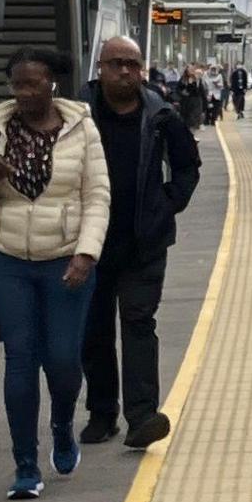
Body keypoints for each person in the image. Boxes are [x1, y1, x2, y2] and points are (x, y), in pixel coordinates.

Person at [0, 51, 110, 499]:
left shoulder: (82, 128)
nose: (25, 94)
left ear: (52, 84)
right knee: (20, 360)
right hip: (6, 260)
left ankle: (63, 423)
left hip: (65, 258)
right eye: (17, 85)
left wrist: (86, 254)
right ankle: (25, 465)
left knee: (65, 359)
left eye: (33, 84)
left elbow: (98, 197)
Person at [80, 35, 200, 453]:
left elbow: (187, 167)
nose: (126, 71)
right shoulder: (79, 114)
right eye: (117, 64)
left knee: (138, 323)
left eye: (133, 64)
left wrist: (166, 206)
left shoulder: (162, 115)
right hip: (88, 244)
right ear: (101, 67)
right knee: (93, 329)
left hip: (144, 243)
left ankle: (142, 417)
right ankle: (101, 412)